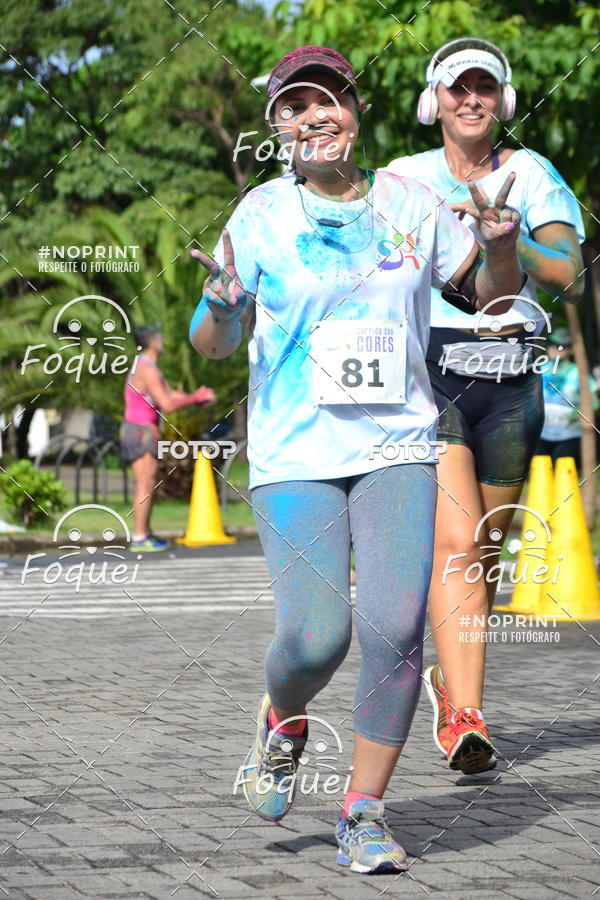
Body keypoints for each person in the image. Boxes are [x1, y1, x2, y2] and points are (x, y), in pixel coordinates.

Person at [190, 45, 523, 873]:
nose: (314, 118)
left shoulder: (414, 204)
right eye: (294, 108)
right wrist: (223, 309)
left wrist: (501, 243)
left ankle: (363, 811)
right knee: (314, 636)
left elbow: (490, 296)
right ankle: (282, 719)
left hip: (398, 442)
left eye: (327, 100)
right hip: (296, 448)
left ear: (355, 109)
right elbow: (212, 342)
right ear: (279, 128)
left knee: (397, 629)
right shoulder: (261, 216)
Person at [383, 37, 585, 774]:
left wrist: (512, 241)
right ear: (433, 100)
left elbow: (569, 276)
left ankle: (450, 682)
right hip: (431, 376)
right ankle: (467, 716)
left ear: (501, 100)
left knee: (485, 555)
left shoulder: (531, 173)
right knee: (461, 543)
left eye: (485, 89)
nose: (471, 100)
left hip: (512, 379)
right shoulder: (401, 178)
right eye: (457, 88)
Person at [121, 323, 216, 551]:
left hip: (140, 430)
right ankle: (140, 537)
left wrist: (195, 397)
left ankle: (145, 533)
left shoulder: (146, 366)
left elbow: (169, 394)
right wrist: (195, 398)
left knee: (148, 482)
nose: (163, 340)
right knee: (145, 483)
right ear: (152, 341)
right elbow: (167, 404)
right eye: (159, 336)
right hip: (140, 431)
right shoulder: (147, 369)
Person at [537, 328, 597, 467]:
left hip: (569, 435)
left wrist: (581, 415)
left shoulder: (579, 373)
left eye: (563, 346)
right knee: (540, 470)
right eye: (553, 344)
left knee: (562, 468)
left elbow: (594, 402)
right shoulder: (538, 370)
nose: (557, 349)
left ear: (571, 350)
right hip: (541, 434)